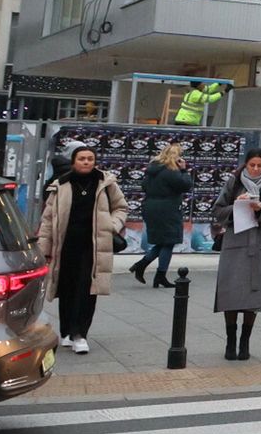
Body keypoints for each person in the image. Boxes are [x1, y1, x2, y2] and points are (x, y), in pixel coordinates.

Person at [36, 144, 128, 354]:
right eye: (82, 159)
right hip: (66, 246)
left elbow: (121, 207)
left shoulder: (105, 183)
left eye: (90, 159)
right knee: (67, 289)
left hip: (94, 247)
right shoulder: (61, 185)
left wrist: (112, 226)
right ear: (74, 162)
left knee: (87, 290)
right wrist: (45, 248)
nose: (86, 162)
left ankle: (80, 334)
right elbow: (48, 219)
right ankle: (67, 331)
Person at [212, 148, 261, 361]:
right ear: (245, 165)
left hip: (258, 246)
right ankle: (230, 341)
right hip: (235, 244)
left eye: (259, 166)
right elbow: (217, 211)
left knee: (253, 296)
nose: (255, 169)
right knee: (230, 294)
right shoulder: (233, 183)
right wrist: (237, 205)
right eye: (251, 165)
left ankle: (245, 342)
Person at [131, 143, 191, 288]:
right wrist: (184, 170)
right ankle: (157, 274)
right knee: (169, 241)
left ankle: (142, 266)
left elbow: (144, 187)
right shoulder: (171, 171)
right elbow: (185, 185)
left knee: (163, 242)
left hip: (151, 207)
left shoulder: (152, 170)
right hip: (168, 209)